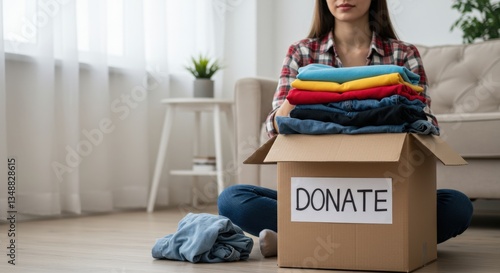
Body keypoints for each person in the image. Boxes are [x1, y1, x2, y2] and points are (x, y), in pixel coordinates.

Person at [218, 0, 473, 257]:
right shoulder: (302, 52)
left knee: (457, 206)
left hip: (383, 192)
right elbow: (274, 129)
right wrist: (304, 93)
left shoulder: (403, 53)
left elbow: (425, 123)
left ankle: (297, 241)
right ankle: (376, 239)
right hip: (319, 194)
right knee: (232, 199)